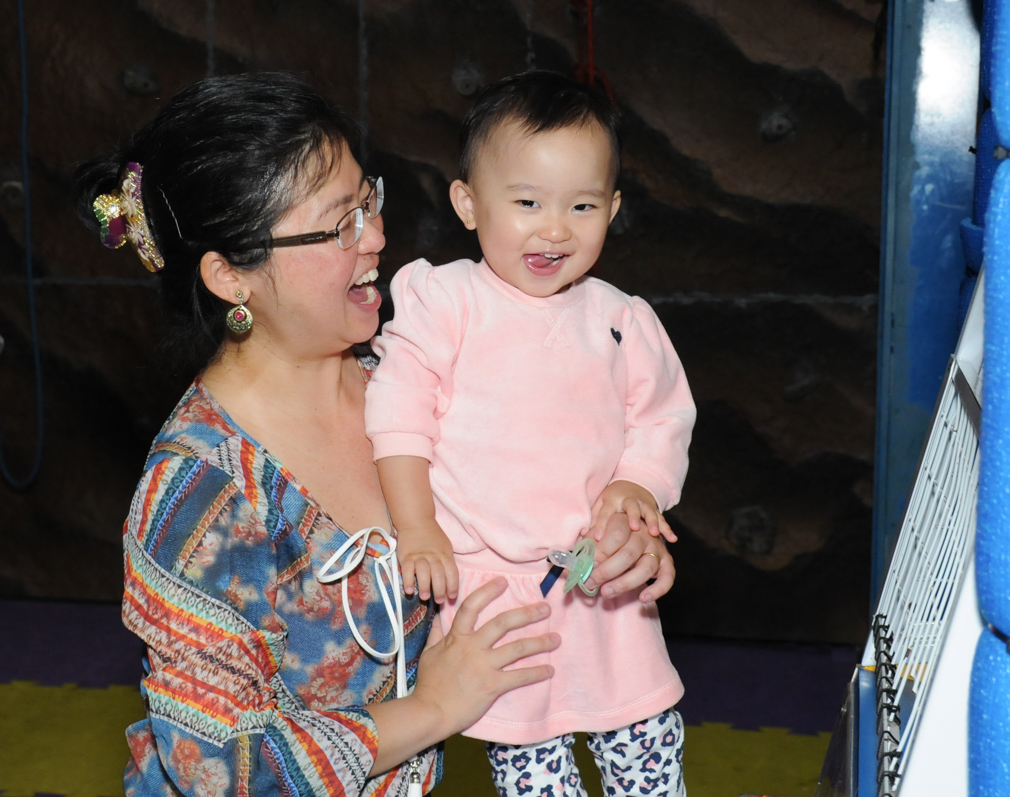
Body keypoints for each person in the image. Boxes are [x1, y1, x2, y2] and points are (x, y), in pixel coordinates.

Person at [74, 72, 674, 796]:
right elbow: (218, 766)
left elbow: (538, 501)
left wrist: (616, 550)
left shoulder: (412, 385)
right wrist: (432, 705)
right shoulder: (201, 493)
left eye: (369, 201)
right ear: (232, 275)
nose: (378, 237)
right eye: (338, 225)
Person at [364, 71, 695, 796]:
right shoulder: (445, 301)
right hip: (494, 589)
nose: (555, 228)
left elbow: (663, 413)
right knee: (531, 764)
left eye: (582, 206)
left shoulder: (620, 317)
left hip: (598, 575)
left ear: (613, 208)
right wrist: (417, 526)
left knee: (644, 739)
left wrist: (639, 484)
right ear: (468, 203)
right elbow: (397, 410)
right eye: (526, 203)